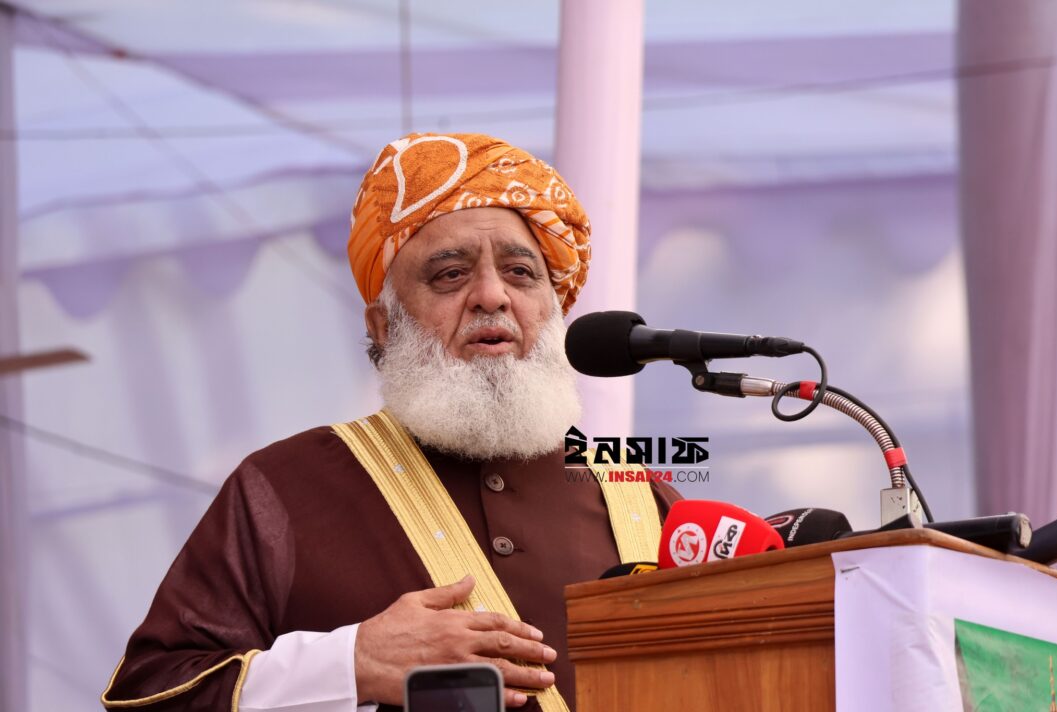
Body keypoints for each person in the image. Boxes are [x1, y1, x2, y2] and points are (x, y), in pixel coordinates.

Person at [101, 133, 682, 712]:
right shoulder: (284, 488)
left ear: (554, 311)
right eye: (450, 274)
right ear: (384, 327)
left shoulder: (635, 490)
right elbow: (149, 695)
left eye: (520, 272)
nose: (491, 295)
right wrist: (350, 664)